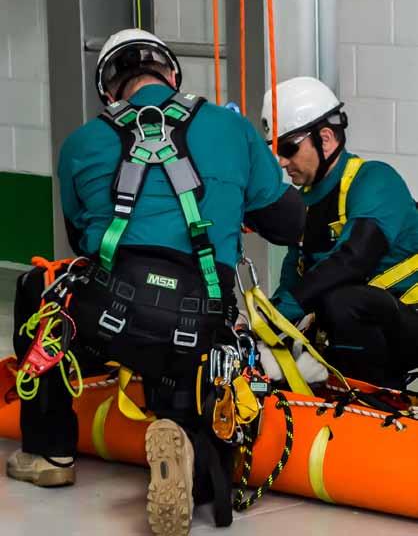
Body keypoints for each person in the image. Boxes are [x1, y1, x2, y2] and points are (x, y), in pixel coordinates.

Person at [7, 29, 305, 536]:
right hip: (200, 324)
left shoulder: (82, 144)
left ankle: (51, 452)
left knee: (42, 292)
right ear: (172, 74)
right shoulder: (229, 129)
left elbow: (83, 241)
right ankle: (184, 439)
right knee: (193, 381)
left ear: (108, 90)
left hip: (111, 316)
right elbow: (288, 224)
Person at [261, 76, 418, 389]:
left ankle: (369, 400)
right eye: (274, 150)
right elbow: (294, 279)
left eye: (288, 148)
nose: (281, 161)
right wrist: (265, 322)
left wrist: (287, 308)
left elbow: (354, 258)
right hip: (361, 328)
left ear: (327, 138)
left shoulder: (375, 180)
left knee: (342, 300)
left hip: (407, 319)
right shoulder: (304, 204)